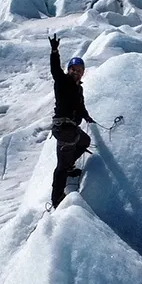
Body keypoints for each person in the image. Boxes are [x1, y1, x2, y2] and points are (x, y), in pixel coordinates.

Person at [49, 36, 94, 207]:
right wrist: (54, 51)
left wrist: (87, 116)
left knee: (85, 141)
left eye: (79, 70)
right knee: (61, 166)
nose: (76, 72)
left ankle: (69, 167)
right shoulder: (63, 82)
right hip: (64, 129)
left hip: (71, 129)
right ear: (69, 70)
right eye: (73, 69)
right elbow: (55, 70)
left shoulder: (78, 88)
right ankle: (56, 198)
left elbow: (80, 106)